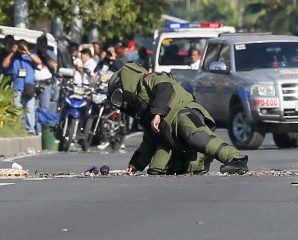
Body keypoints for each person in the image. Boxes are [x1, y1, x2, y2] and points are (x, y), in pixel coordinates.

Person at [107, 62, 249, 175]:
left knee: (196, 136)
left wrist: (158, 113)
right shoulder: (143, 110)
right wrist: (135, 165)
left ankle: (236, 158)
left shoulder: (148, 79)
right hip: (167, 133)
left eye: (118, 97)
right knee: (156, 169)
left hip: (183, 112)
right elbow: (148, 141)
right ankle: (197, 162)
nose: (123, 103)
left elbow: (165, 88)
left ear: (124, 83)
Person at [3, 39, 42, 134]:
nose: (21, 49)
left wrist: (28, 52)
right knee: (17, 108)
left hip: (29, 87)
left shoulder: (31, 56)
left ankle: (30, 129)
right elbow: (4, 64)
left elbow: (39, 62)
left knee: (29, 109)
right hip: (17, 86)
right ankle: (18, 128)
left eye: (23, 47)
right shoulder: (14, 57)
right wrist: (13, 52)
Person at [32, 35, 58, 134]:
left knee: (44, 108)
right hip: (34, 83)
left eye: (43, 43)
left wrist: (45, 54)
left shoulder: (50, 53)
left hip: (46, 83)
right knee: (32, 106)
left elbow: (55, 65)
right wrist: (35, 50)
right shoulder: (33, 52)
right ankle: (34, 128)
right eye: (40, 43)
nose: (42, 45)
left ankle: (41, 130)